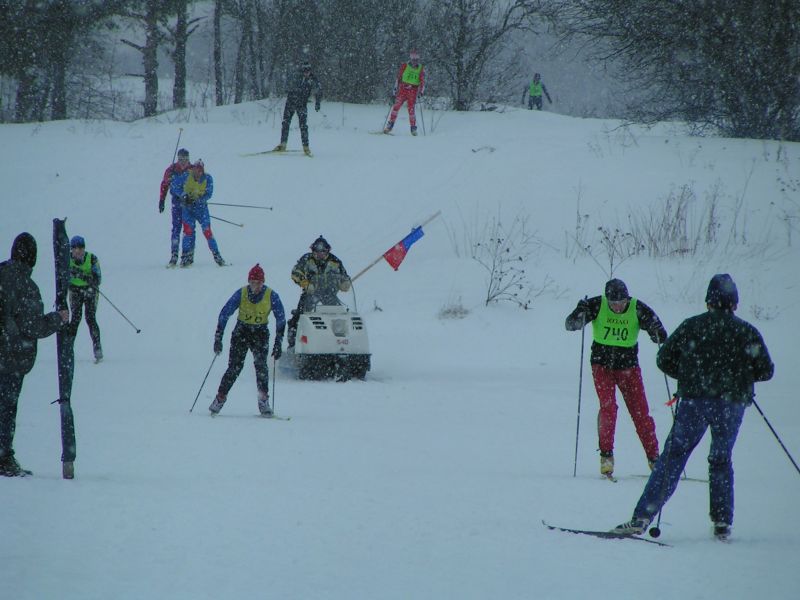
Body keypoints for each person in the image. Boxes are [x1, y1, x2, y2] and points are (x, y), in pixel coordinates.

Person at [613, 274, 774, 540]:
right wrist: (738, 378)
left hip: (694, 401)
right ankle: (722, 522)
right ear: (734, 302)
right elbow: (766, 370)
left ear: (709, 300)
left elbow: (664, 359)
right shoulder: (746, 331)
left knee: (674, 456)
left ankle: (642, 517)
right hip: (731, 404)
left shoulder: (692, 326)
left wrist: (690, 376)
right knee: (721, 459)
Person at [565, 278, 667, 477]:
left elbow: (661, 335)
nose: (618, 307)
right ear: (607, 300)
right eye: (613, 304)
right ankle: (606, 456)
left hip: (628, 368)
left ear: (627, 299)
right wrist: (579, 311)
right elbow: (570, 325)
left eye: (621, 303)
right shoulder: (596, 304)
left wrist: (656, 333)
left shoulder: (638, 308)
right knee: (608, 407)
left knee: (641, 413)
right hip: (602, 366)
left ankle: (654, 458)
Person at [0, 233, 69, 477]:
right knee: (6, 407)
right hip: (9, 359)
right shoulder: (25, 286)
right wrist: (57, 319)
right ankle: (3, 456)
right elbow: (32, 326)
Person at [209, 264, 286, 416]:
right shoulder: (242, 293)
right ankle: (219, 398)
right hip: (241, 332)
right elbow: (225, 312)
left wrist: (278, 341)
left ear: (262, 283)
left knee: (261, 367)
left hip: (260, 333)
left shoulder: (271, 295)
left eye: (258, 283)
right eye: (252, 283)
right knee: (234, 368)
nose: (254, 287)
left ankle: (263, 401)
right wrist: (218, 336)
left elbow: (281, 319)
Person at [286, 236, 351, 349]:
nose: (320, 254)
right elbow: (295, 273)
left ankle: (339, 344)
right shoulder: (307, 259)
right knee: (299, 316)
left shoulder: (335, 261)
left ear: (327, 251)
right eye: (317, 251)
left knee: (339, 318)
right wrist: (306, 284)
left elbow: (344, 276)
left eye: (323, 251)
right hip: (311, 294)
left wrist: (345, 283)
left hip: (330, 294)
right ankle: (293, 345)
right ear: (313, 251)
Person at [170, 159, 226, 267]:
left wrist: (198, 199)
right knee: (188, 232)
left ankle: (217, 255)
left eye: (200, 170)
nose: (198, 173)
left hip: (201, 209)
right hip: (187, 209)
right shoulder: (186, 176)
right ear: (193, 169)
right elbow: (174, 186)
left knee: (207, 231)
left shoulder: (208, 178)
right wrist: (184, 195)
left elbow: (209, 193)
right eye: (196, 170)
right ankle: (187, 256)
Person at [272, 61, 322, 156]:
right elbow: (287, 85)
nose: (306, 72)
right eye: (304, 70)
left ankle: (306, 147)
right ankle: (283, 144)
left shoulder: (313, 79)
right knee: (286, 123)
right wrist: (291, 91)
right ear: (302, 70)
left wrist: (317, 102)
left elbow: (319, 90)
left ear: (310, 70)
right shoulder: (296, 76)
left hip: (302, 105)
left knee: (303, 126)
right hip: (291, 102)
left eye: (308, 70)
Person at [68, 235, 103, 363]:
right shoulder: (66, 259)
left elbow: (98, 279)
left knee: (90, 318)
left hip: (90, 291)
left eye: (81, 247)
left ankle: (97, 348)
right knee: (75, 319)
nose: (78, 251)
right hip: (75, 291)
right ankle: (68, 348)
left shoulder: (92, 259)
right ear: (71, 249)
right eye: (75, 248)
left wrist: (86, 277)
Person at [159, 147, 192, 267]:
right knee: (176, 228)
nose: (183, 161)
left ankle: (186, 254)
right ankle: (174, 254)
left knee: (188, 228)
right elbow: (164, 184)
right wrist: (162, 200)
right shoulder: (172, 169)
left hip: (188, 203)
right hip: (176, 202)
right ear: (178, 158)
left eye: (185, 159)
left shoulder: (192, 169)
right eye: (181, 159)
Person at [384, 49, 426, 135]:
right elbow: (398, 78)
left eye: (416, 59)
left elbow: (422, 81)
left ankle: (413, 128)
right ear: (410, 58)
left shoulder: (420, 68)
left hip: (413, 91)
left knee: (411, 110)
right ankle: (390, 125)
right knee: (396, 107)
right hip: (403, 89)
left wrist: (421, 91)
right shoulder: (405, 65)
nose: (414, 61)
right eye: (413, 59)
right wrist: (395, 89)